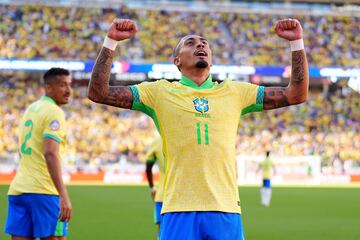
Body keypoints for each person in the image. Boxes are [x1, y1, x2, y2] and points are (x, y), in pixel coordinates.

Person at [87, 18, 308, 240]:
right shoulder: (159, 92)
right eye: (190, 43)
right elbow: (99, 93)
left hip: (226, 208)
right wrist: (110, 42)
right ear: (177, 61)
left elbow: (296, 94)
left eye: (204, 43)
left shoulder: (235, 92)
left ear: (211, 60)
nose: (200, 45)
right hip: (178, 209)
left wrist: (296, 43)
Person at [5, 68, 73, 240]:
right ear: (48, 88)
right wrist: (63, 195)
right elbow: (50, 153)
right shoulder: (54, 112)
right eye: (62, 85)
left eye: (69, 85)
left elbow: (22, 150)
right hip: (44, 191)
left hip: (18, 190)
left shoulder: (31, 109)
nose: (68, 90)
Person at [144, 136, 165, 234]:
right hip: (181, 197)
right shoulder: (182, 137)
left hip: (162, 195)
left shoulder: (157, 141)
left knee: (162, 233)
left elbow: (148, 167)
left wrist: (152, 187)